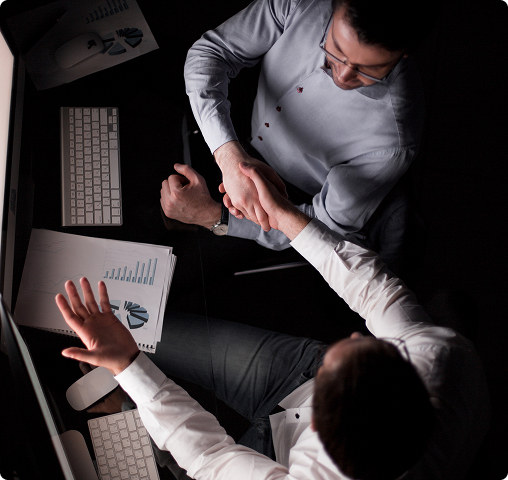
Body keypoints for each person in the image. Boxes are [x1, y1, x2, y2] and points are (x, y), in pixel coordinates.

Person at [58, 163, 490, 480]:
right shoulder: (435, 352)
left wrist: (128, 365)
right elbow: (373, 288)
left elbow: (209, 455)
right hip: (295, 374)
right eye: (370, 343)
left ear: (318, 425)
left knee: (173, 441)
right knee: (140, 328)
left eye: (348, 348)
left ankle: (131, 409)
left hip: (275, 460)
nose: (356, 331)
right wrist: (287, 216)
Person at [162, 0, 437, 262]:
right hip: (240, 114)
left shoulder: (394, 139)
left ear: (404, 53)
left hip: (287, 204)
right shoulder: (302, 4)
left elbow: (324, 230)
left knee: (170, 265)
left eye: (369, 69)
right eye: (337, 49)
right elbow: (210, 53)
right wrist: (229, 157)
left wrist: (213, 216)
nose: (341, 77)